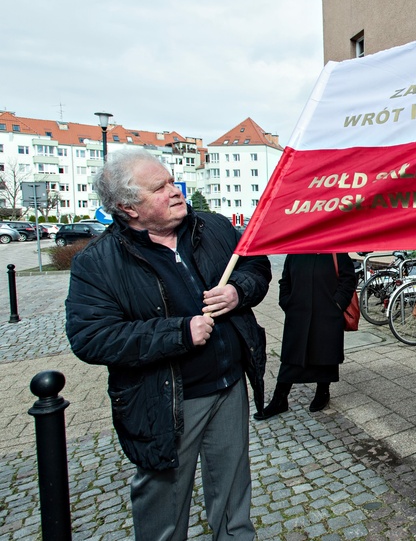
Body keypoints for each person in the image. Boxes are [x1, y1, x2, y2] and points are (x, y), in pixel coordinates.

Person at [65, 147, 271, 541]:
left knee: (233, 502)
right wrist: (177, 333)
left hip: (229, 386)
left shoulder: (212, 227)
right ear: (128, 208)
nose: (175, 191)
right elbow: (91, 337)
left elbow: (255, 265)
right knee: (164, 512)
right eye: (158, 188)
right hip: (165, 400)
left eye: (172, 180)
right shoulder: (98, 263)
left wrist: (238, 291)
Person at [254, 253, 357, 419]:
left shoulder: (336, 251)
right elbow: (285, 280)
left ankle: (323, 392)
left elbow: (349, 280)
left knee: (325, 356)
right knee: (291, 357)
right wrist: (286, 301)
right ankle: (280, 398)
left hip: (327, 314)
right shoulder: (296, 251)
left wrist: (337, 304)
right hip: (298, 313)